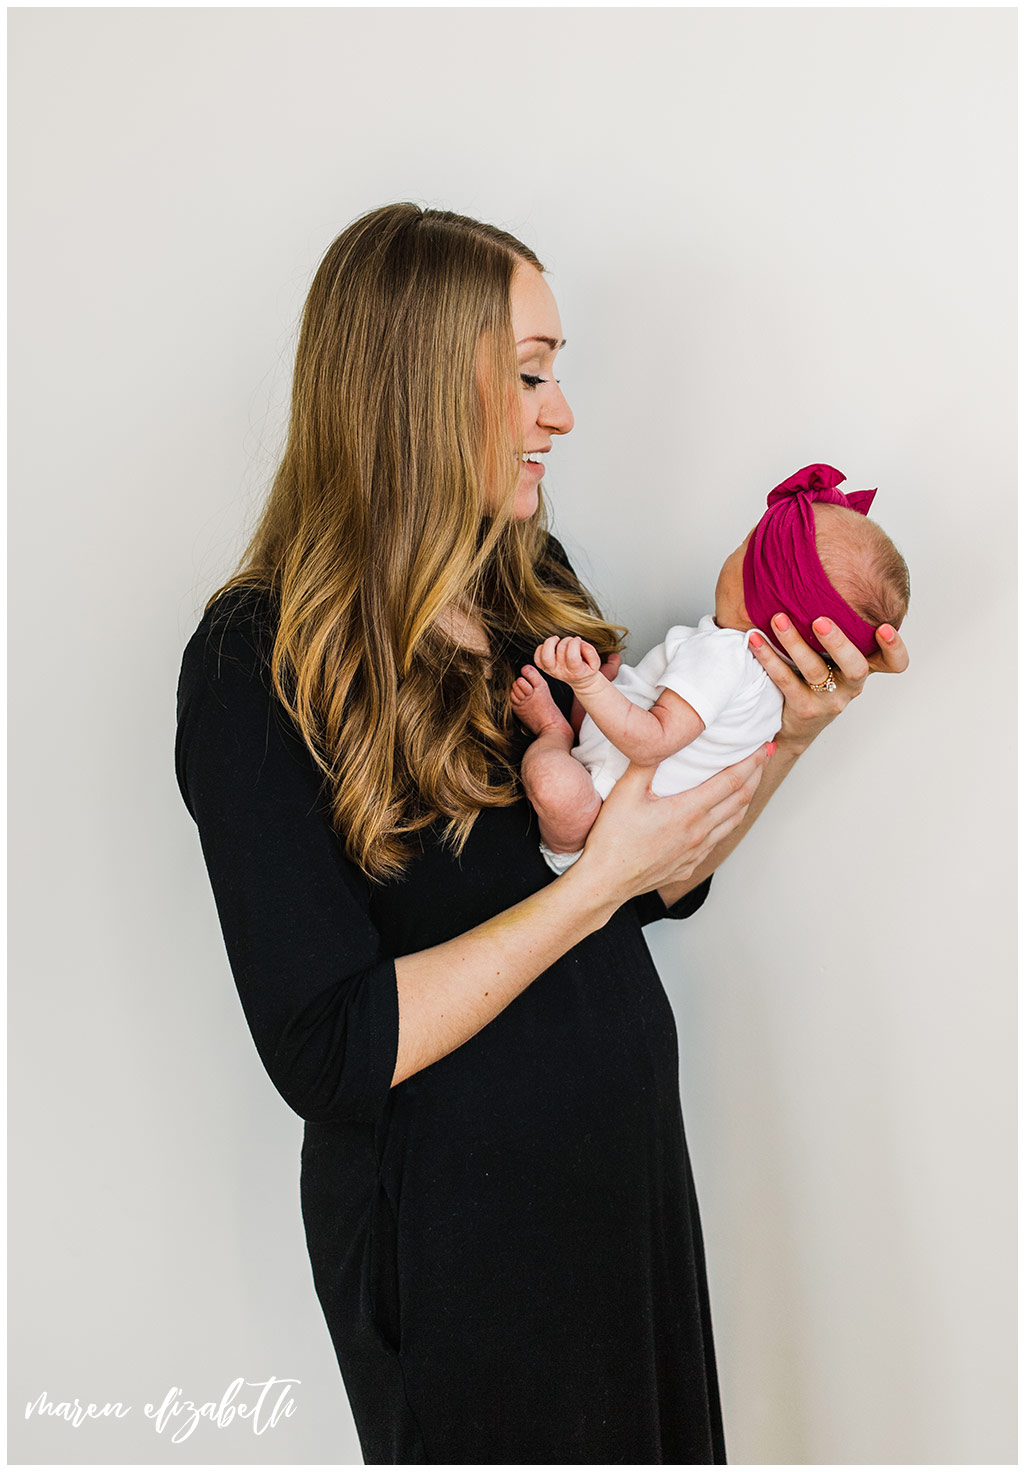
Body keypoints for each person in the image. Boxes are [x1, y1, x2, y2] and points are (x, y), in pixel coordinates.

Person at [174, 202, 909, 1465]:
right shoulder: (254, 663)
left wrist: (785, 729)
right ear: (410, 389)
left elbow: (650, 875)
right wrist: (591, 890)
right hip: (458, 1246)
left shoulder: (525, 588)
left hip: (620, 1192)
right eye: (528, 374)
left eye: (553, 373)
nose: (559, 412)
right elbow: (328, 1048)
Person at [512, 463, 910, 873]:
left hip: (597, 817)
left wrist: (588, 683)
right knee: (615, 695)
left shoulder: (726, 655)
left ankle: (553, 733)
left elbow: (650, 743)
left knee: (553, 785)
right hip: (656, 840)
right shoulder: (776, 681)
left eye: (745, 543)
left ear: (757, 589)